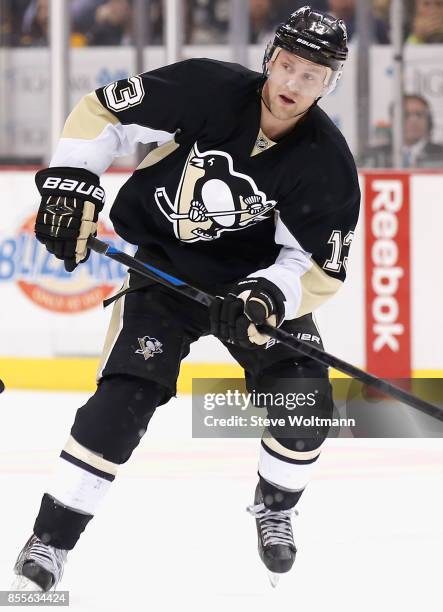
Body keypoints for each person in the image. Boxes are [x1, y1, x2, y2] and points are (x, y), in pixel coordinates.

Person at [12, 6, 360, 590]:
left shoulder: (327, 164)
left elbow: (318, 267)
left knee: (305, 402)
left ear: (330, 84)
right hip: (166, 270)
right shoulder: (208, 87)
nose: (293, 84)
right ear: (270, 59)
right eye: (288, 65)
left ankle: (274, 506)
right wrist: (73, 180)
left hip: (252, 288)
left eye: (312, 75)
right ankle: (50, 539)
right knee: (125, 398)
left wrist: (267, 294)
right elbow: (106, 111)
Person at [362, 94, 443, 168]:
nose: (413, 120)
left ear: (428, 121)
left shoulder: (440, 154)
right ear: (393, 120)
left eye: (419, 114)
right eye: (406, 115)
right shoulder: (374, 155)